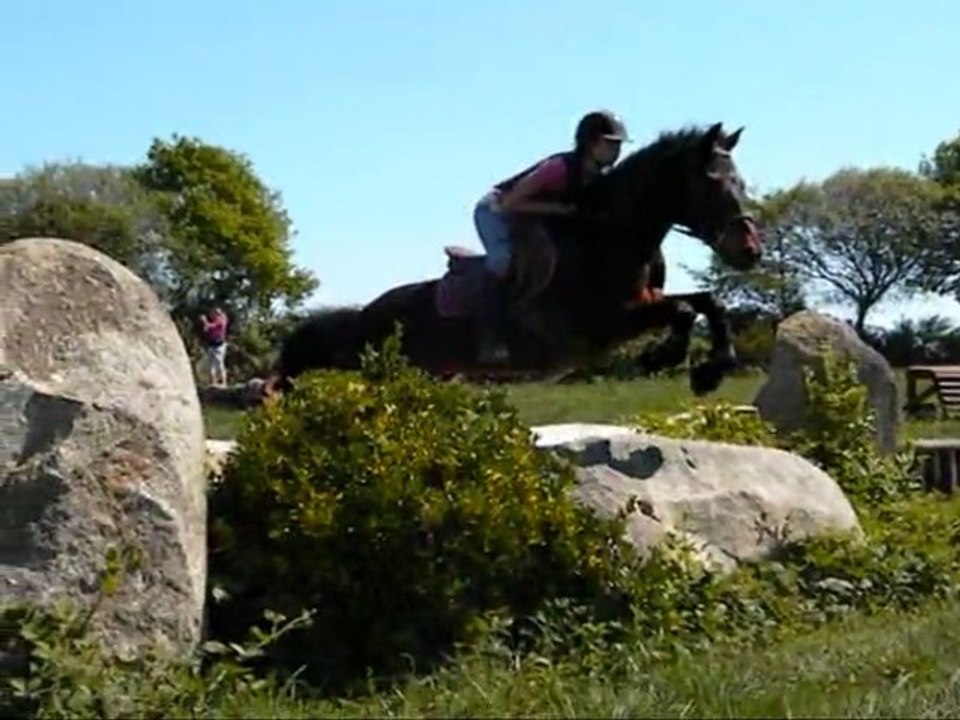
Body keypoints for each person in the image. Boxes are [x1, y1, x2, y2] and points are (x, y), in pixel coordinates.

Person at [472, 110, 629, 363]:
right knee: (503, 261)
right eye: (610, 144)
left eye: (619, 145)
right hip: (495, 211)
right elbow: (511, 203)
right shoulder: (559, 169)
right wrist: (561, 210)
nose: (617, 151)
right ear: (590, 143)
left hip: (532, 216)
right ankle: (491, 338)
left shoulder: (597, 178)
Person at [200, 307, 229, 387]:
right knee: (211, 365)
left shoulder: (221, 320)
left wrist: (205, 321)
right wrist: (206, 326)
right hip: (212, 345)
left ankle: (223, 383)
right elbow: (207, 329)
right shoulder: (216, 320)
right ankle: (213, 382)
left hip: (219, 345)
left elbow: (212, 326)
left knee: (219, 364)